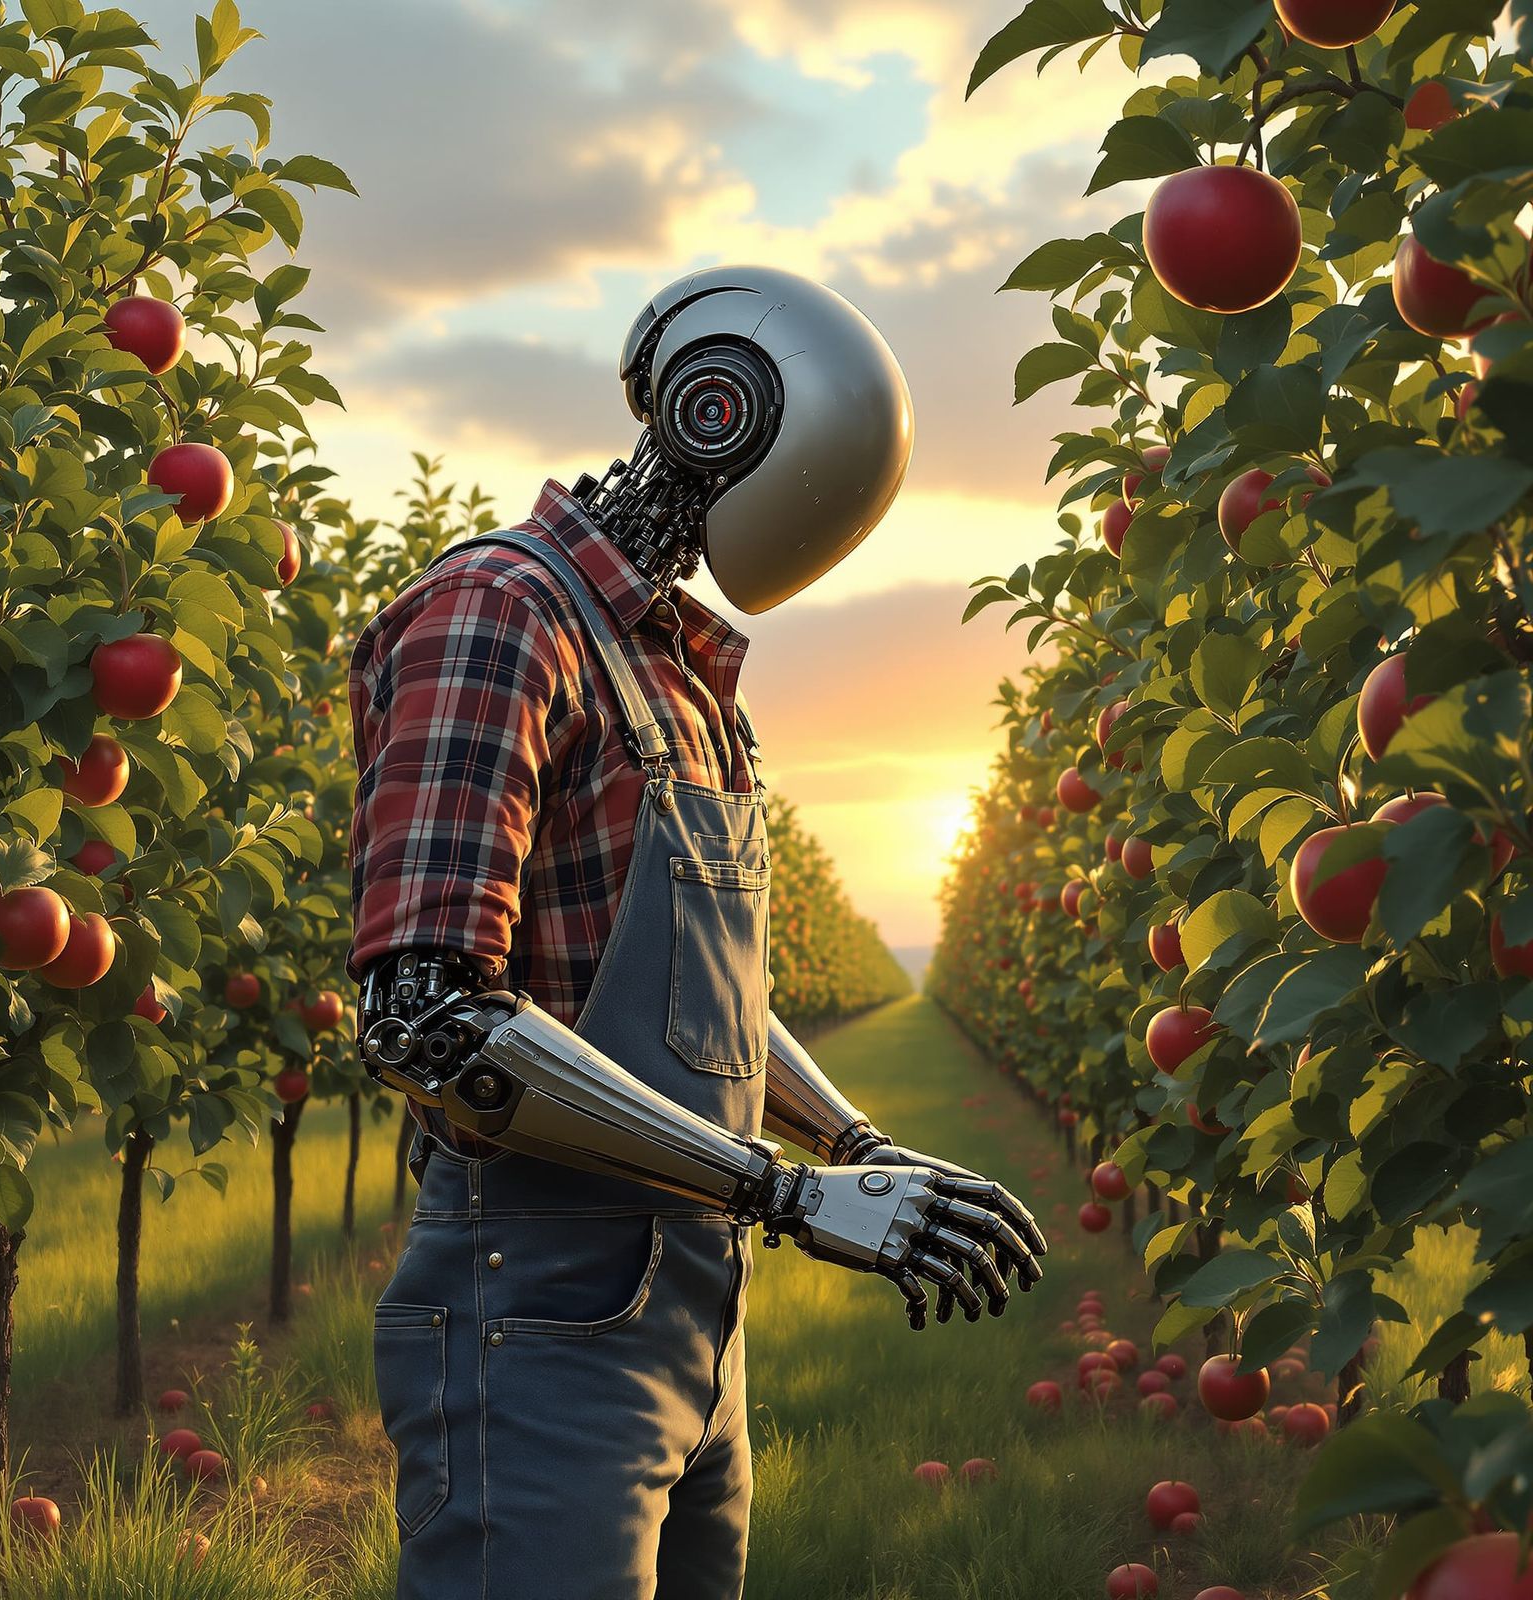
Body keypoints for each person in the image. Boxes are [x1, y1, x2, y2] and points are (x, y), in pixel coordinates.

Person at [346, 265, 1046, 1600]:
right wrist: (779, 1189)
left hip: (694, 1304)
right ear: (720, 413)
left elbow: (698, 991)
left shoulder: (681, 672)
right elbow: (428, 1020)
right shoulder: (501, 615)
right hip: (536, 1309)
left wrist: (853, 1145)